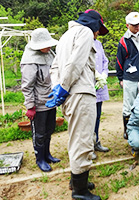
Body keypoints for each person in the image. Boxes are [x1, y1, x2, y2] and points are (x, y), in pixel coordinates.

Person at [45, 9, 108, 200]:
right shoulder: (86, 32)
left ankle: (77, 180)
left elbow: (55, 66)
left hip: (70, 96)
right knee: (83, 140)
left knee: (75, 137)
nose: (98, 34)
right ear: (94, 25)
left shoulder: (65, 36)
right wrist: (63, 87)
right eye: (99, 30)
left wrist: (59, 88)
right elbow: (76, 63)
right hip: (80, 93)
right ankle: (80, 192)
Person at [20, 28, 60, 172]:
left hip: (50, 101)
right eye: (46, 44)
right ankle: (40, 159)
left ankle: (47, 154)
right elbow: (27, 86)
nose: (49, 47)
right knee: (40, 133)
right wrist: (30, 106)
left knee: (49, 130)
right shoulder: (29, 61)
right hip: (38, 104)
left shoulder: (49, 54)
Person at [115, 11, 139, 140]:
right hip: (130, 78)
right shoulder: (123, 41)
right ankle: (128, 131)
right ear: (127, 25)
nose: (137, 27)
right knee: (129, 106)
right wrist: (120, 78)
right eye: (134, 25)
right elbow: (119, 61)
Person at [92, 36, 109, 159]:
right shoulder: (82, 42)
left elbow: (104, 61)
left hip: (100, 85)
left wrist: (103, 75)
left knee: (97, 116)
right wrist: (96, 75)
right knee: (88, 119)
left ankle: (96, 141)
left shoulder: (98, 43)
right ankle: (87, 146)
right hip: (88, 84)